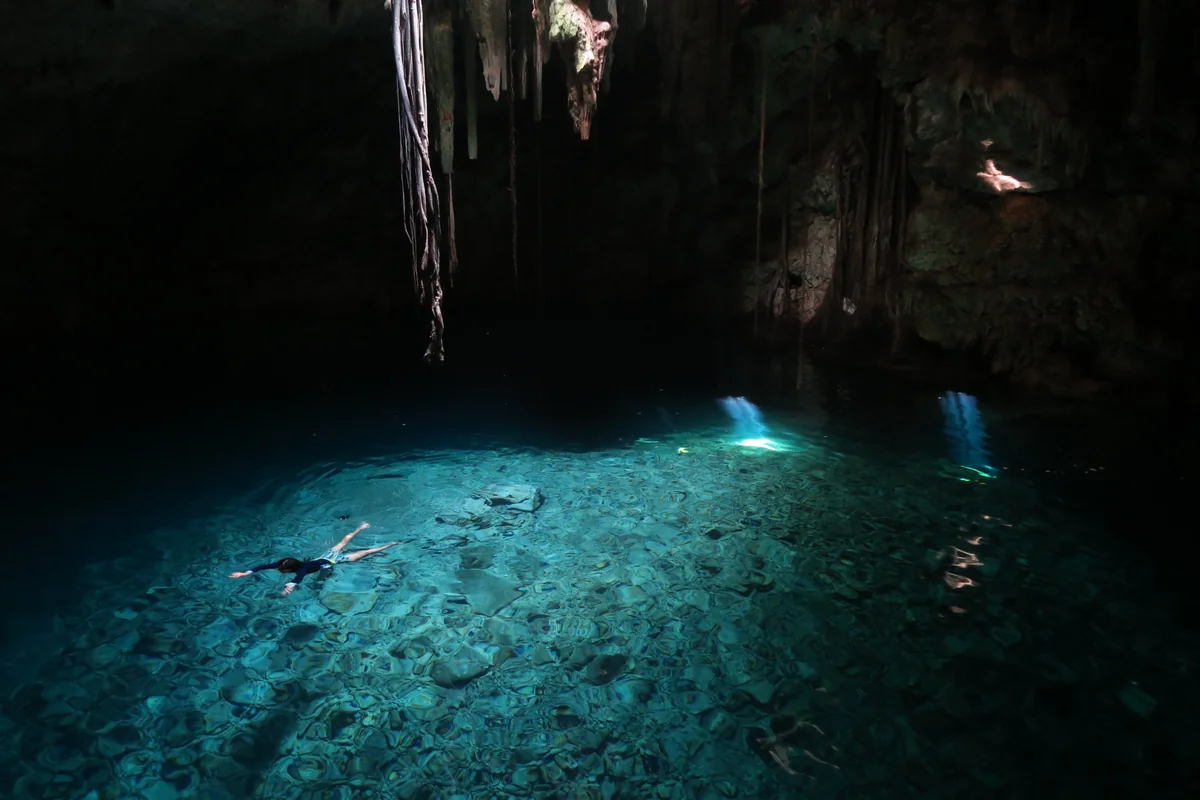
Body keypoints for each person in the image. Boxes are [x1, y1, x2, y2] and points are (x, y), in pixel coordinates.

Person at [229, 522, 398, 596]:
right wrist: (245, 573)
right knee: (345, 540)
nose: (278, 568)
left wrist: (290, 587)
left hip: (334, 560)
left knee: (368, 552)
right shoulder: (293, 564)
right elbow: (264, 566)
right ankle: (361, 527)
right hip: (326, 556)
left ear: (287, 569)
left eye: (281, 569)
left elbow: (298, 579)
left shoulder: (302, 570)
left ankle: (391, 544)